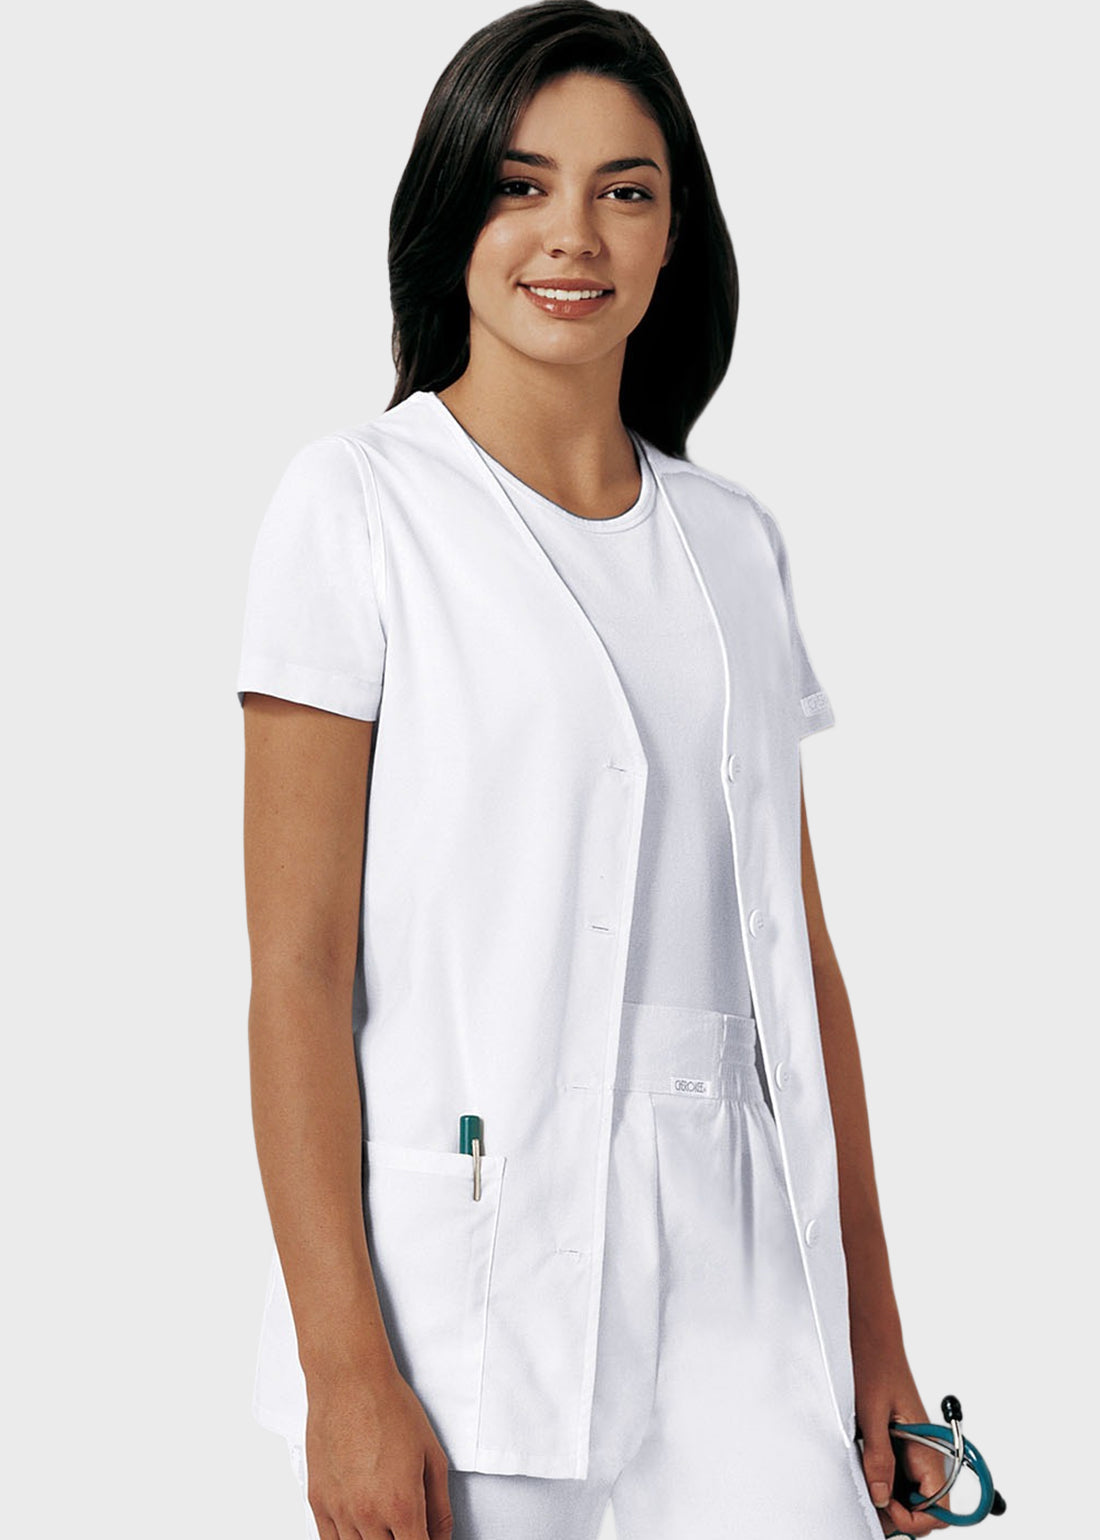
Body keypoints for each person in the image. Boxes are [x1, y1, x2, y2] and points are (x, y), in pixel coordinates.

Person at [236, 4, 952, 1536]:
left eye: (625, 190)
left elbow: (801, 971)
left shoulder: (735, 544)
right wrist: (343, 1370)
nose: (573, 233)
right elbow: (295, 971)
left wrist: (877, 1342)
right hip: (472, 1289)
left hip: (750, 1271)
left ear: (675, 231)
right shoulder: (357, 507)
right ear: (453, 213)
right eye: (522, 185)